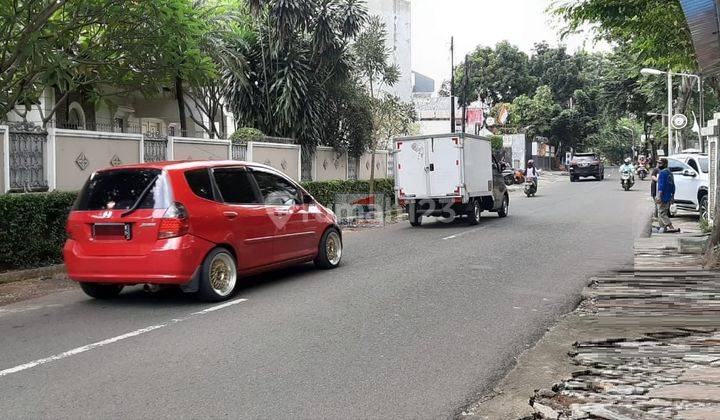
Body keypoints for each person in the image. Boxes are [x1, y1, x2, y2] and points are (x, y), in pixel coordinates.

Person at [656, 158, 679, 233]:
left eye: (660, 163)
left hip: (663, 196)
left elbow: (661, 186)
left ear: (665, 164)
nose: (659, 165)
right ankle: (663, 228)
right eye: (658, 163)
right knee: (661, 212)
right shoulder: (670, 173)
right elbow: (673, 186)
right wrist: (672, 196)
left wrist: (659, 196)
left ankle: (670, 227)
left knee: (662, 213)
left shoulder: (662, 173)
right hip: (668, 196)